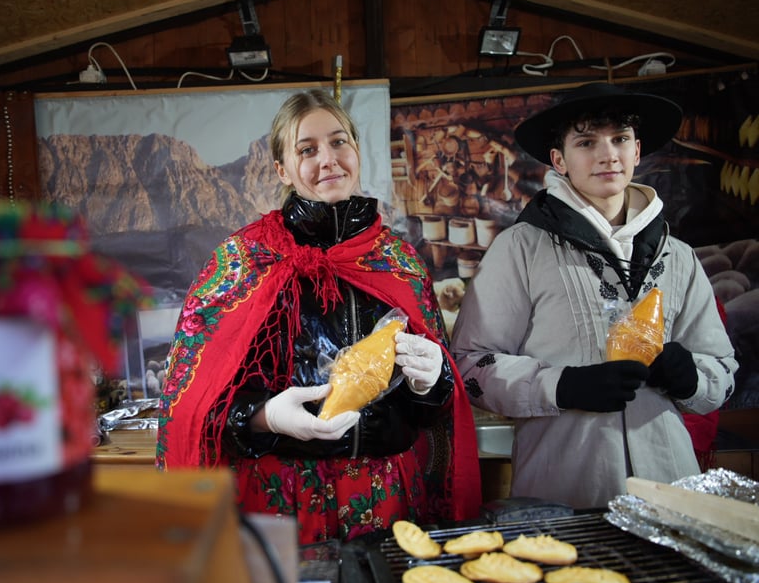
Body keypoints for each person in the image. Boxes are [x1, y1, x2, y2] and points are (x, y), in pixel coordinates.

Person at [157, 88, 481, 544]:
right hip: (279, 501)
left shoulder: (400, 261)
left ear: (355, 150)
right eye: (307, 150)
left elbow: (433, 410)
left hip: (386, 497)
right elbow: (189, 399)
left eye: (338, 142)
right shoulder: (242, 261)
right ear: (283, 170)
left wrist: (433, 382)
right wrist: (264, 416)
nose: (327, 159)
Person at [450, 82, 737, 509]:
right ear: (559, 160)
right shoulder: (521, 248)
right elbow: (472, 366)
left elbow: (723, 369)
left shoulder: (678, 256)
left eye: (620, 139)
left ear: (637, 152)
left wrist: (691, 375)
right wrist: (561, 386)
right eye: (586, 142)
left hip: (671, 487)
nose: (608, 155)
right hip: (564, 486)